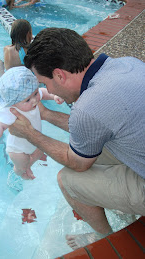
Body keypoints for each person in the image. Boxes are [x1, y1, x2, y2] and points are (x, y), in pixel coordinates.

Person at [8, 28, 145, 249]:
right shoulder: (127, 64)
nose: (46, 89)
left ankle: (105, 237)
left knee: (67, 180)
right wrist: (45, 114)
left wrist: (29, 133)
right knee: (94, 145)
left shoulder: (88, 107)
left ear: (60, 75)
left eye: (45, 83)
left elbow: (78, 163)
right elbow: (92, 127)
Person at [0, 66, 63, 180]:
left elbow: (43, 93)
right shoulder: (10, 111)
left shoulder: (30, 95)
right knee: (23, 164)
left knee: (42, 148)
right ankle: (21, 172)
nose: (35, 100)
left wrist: (54, 96)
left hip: (33, 140)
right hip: (18, 150)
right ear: (13, 103)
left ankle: (33, 159)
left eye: (35, 94)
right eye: (27, 100)